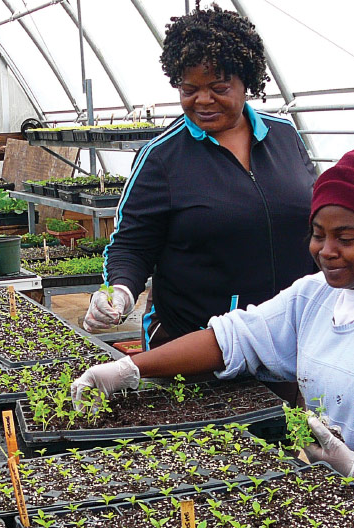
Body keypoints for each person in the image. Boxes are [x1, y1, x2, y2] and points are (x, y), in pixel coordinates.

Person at [72, 148, 354, 526]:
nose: (326, 250)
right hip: (345, 501)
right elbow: (234, 338)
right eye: (318, 235)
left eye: (346, 237)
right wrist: (130, 368)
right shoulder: (314, 295)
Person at [83, 4, 317, 361]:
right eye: (189, 89)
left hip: (290, 337)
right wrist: (120, 291)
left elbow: (315, 218)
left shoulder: (284, 137)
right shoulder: (162, 156)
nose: (203, 100)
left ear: (247, 82)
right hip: (195, 344)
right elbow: (132, 245)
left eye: (219, 87)